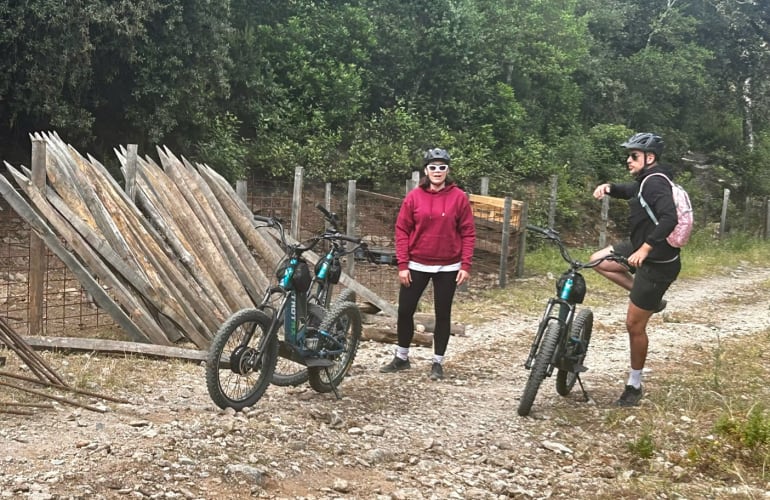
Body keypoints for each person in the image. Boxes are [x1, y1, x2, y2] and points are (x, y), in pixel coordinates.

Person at [591, 132, 681, 406]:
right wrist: (609, 187)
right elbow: (630, 191)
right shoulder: (646, 181)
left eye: (633, 156)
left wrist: (645, 249)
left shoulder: (656, 183)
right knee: (598, 260)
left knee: (633, 325)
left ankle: (634, 384)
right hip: (638, 246)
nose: (628, 160)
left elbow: (669, 218)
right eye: (628, 155)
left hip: (658, 262)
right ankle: (650, 300)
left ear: (649, 158)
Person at [380, 147, 476, 380]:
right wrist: (403, 265)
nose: (437, 171)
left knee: (443, 314)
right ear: (426, 170)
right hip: (416, 263)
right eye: (433, 167)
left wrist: (465, 265)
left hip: (448, 266)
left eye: (442, 167)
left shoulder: (459, 198)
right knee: (405, 311)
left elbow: (468, 232)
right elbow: (402, 230)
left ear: (447, 170)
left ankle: (437, 363)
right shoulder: (414, 197)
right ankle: (402, 358)